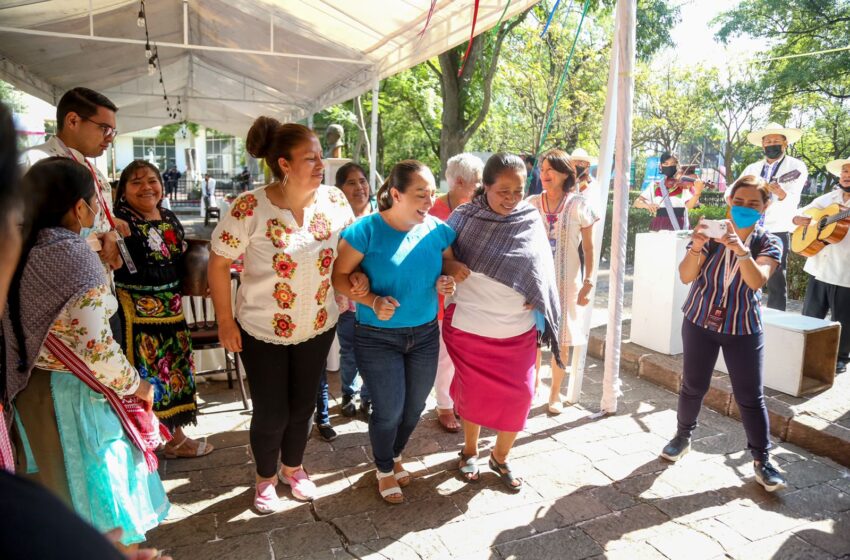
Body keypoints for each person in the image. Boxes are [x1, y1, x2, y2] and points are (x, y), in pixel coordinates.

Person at [0, 104, 171, 560]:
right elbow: (96, 347)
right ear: (79, 208)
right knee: (103, 511)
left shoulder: (20, 251)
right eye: (95, 204)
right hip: (76, 400)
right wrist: (138, 386)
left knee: (54, 509)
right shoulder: (74, 257)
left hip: (30, 395)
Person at [208, 117, 355, 514]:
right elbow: (218, 262)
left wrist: (357, 283)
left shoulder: (335, 202)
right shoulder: (250, 207)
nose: (321, 165)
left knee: (303, 405)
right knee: (272, 412)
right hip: (260, 330)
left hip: (318, 324)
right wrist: (224, 321)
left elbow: (347, 257)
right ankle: (264, 478)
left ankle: (294, 468)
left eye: (320, 157)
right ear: (284, 164)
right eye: (310, 158)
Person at [331, 160, 456, 504]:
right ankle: (384, 468)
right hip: (376, 337)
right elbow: (339, 277)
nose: (429, 202)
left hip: (426, 335)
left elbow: (449, 262)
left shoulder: (438, 230)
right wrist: (371, 299)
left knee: (415, 405)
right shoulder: (365, 231)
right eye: (420, 194)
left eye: (432, 194)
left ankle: (395, 454)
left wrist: (448, 279)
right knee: (388, 409)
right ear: (396, 194)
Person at [442, 153, 561, 491]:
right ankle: (468, 452)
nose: (511, 199)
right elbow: (439, 253)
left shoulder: (529, 216)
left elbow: (542, 264)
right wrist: (450, 267)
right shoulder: (463, 216)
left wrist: (537, 291)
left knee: (522, 396)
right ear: (485, 187)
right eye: (503, 191)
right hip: (470, 326)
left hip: (517, 330)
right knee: (472, 398)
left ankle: (500, 456)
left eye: (518, 191)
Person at [661, 175, 787, 492]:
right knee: (693, 385)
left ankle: (762, 460)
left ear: (765, 207)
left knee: (750, 397)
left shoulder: (769, 242)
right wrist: (698, 246)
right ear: (729, 201)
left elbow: (756, 281)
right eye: (739, 201)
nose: (745, 208)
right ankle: (682, 436)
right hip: (700, 320)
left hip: (742, 327)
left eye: (753, 204)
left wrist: (741, 250)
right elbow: (686, 275)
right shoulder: (712, 232)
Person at [113, 160, 213, 458]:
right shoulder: (119, 220)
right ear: (123, 190)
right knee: (151, 375)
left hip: (172, 308)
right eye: (137, 181)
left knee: (176, 373)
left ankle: (174, 436)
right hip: (138, 314)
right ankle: (160, 439)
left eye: (152, 180)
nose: (147, 187)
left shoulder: (168, 216)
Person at [20, 88, 129, 342]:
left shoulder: (95, 173)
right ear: (72, 121)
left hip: (101, 295)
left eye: (113, 131)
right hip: (57, 305)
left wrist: (111, 237)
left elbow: (103, 223)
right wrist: (95, 242)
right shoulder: (33, 164)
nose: (110, 138)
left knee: (107, 374)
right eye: (104, 128)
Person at [527, 149, 598, 414]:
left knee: (562, 339)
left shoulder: (580, 204)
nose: (544, 175)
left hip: (567, 283)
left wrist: (589, 281)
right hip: (534, 283)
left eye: (550, 170)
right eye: (542, 170)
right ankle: (530, 388)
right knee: (531, 337)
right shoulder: (531, 203)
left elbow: (589, 249)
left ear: (566, 174)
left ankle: (555, 394)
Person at [429, 153, 483, 433]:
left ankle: (459, 402)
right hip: (440, 297)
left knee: (466, 355)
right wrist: (450, 266)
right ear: (460, 182)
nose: (480, 187)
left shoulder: (477, 207)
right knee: (445, 356)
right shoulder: (432, 211)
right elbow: (424, 257)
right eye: (477, 182)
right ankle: (445, 406)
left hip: (472, 296)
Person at [737, 122, 809, 311]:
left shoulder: (796, 166)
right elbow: (732, 190)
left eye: (776, 140)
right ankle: (744, 310)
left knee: (776, 279)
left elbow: (793, 201)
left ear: (785, 143)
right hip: (748, 227)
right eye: (768, 141)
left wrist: (782, 193)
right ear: (762, 145)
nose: (771, 144)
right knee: (743, 270)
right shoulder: (752, 168)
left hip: (776, 228)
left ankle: (777, 318)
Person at [795, 157, 850, 374]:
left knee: (843, 319)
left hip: (845, 271)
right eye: (844, 171)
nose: (846, 174)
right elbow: (805, 212)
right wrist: (799, 219)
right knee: (810, 314)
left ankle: (840, 357)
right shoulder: (831, 197)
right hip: (819, 267)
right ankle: (804, 350)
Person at [333, 162, 375, 418]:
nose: (359, 187)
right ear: (339, 189)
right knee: (348, 350)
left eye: (362, 181)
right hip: (346, 300)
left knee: (373, 352)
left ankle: (369, 397)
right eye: (351, 182)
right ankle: (349, 392)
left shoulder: (382, 217)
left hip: (374, 300)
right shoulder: (334, 221)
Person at [634, 152, 705, 231]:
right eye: (666, 164)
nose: (669, 167)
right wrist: (648, 205)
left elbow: (689, 206)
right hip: (659, 225)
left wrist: (697, 193)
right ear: (661, 166)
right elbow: (637, 202)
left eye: (673, 164)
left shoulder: (683, 185)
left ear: (677, 166)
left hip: (679, 224)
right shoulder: (654, 185)